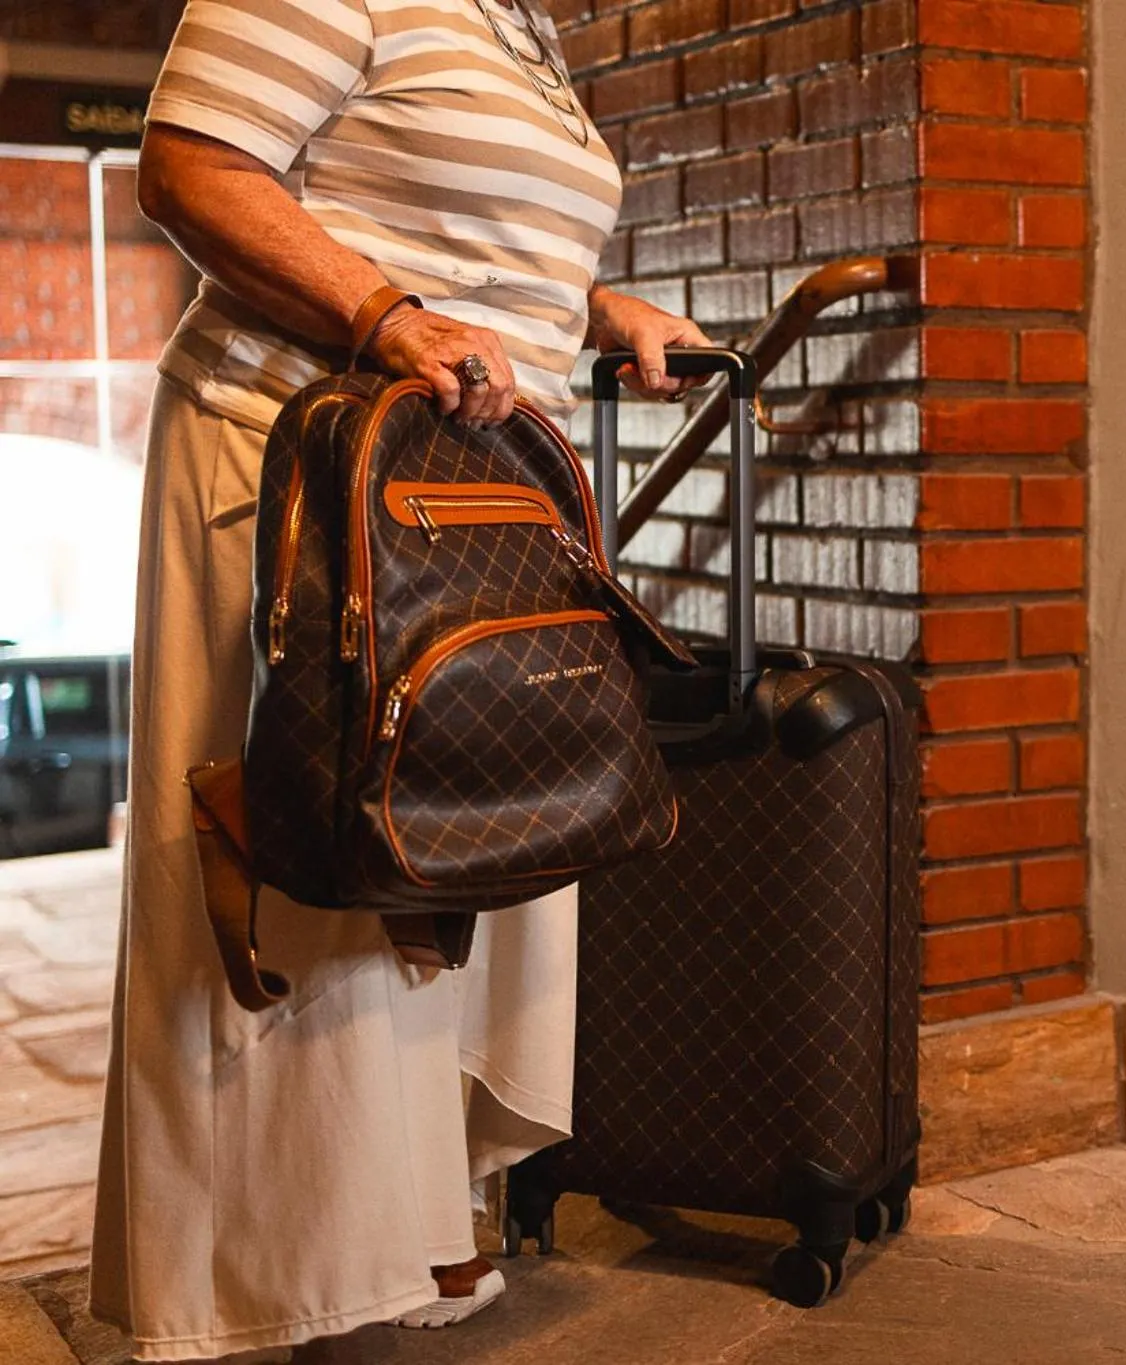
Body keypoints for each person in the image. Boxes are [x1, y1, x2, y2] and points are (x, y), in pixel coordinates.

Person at [91, 0, 709, 1358]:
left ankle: (388, 1247)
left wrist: (594, 311)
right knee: (309, 873)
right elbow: (192, 164)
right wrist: (384, 316)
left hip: (457, 484)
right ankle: (266, 1282)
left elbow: (436, 212)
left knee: (440, 859)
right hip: (301, 480)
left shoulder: (515, 20)